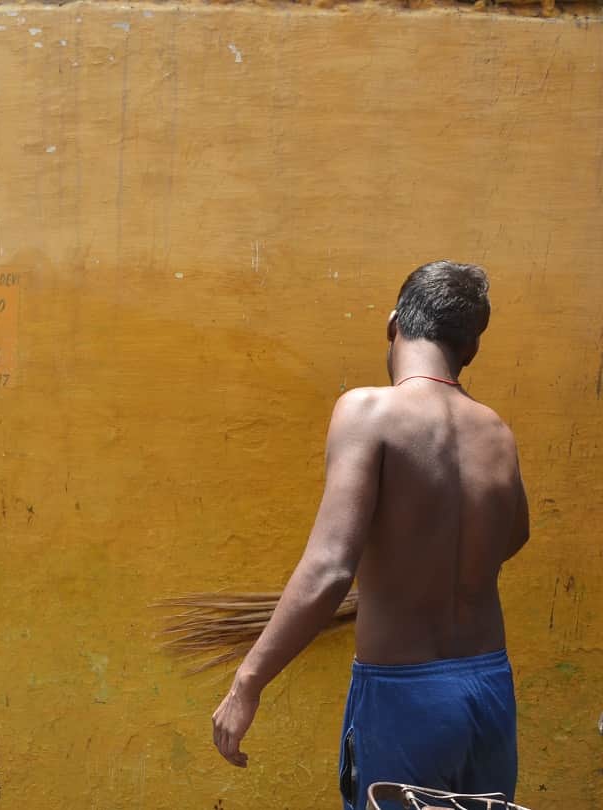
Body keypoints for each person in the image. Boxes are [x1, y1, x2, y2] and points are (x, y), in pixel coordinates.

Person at [211, 261, 529, 809]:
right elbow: (514, 536)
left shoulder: (369, 412)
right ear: (471, 349)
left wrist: (248, 683)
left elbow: (330, 567)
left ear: (392, 324)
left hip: (406, 700)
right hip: (489, 691)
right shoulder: (496, 431)